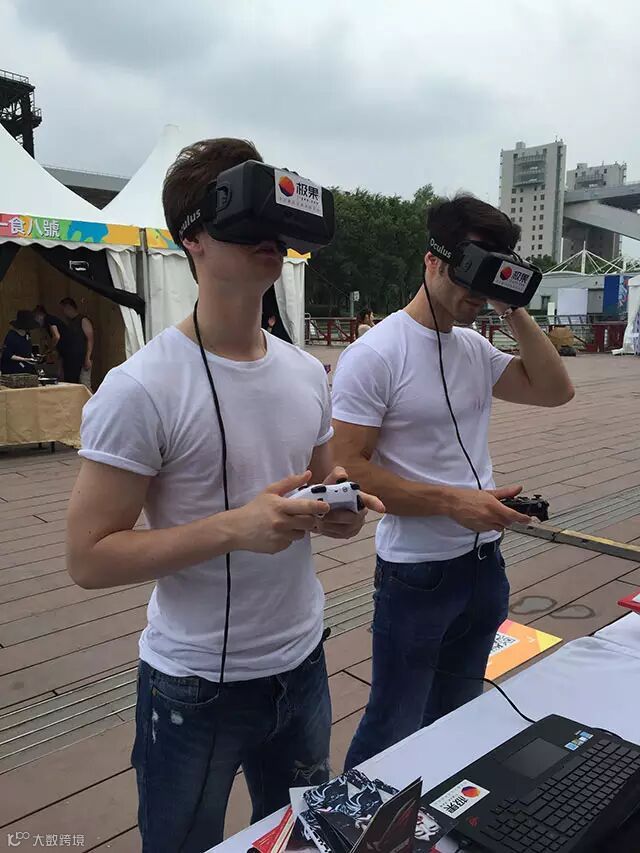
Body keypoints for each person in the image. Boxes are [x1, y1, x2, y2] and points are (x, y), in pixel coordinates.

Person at [66, 137, 384, 852]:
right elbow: (88, 558)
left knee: (301, 839)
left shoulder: (306, 372)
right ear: (194, 238)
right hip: (193, 687)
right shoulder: (140, 388)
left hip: (303, 663)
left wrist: (338, 511)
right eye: (247, 217)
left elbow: (321, 484)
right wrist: (234, 528)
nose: (270, 237)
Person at [331, 194, 574, 770]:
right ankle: (355, 814)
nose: (476, 294)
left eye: (490, 276)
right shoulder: (376, 355)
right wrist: (453, 503)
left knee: (458, 712)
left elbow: (555, 390)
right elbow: (348, 469)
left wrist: (513, 306)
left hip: (485, 565)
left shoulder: (474, 347)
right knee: (393, 720)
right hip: (417, 574)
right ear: (433, 261)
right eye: (471, 273)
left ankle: (436, 804)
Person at [59, 297, 94, 388]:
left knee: (84, 384)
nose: (63, 312)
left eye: (63, 309)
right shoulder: (70, 322)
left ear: (69, 307)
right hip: (72, 360)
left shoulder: (83, 320)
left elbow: (90, 339)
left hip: (82, 358)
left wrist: (88, 357)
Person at [1, 310, 39, 375]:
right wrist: (24, 359)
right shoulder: (11, 336)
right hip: (13, 369)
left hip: (27, 368)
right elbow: (7, 355)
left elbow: (27, 349)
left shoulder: (27, 334)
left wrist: (32, 357)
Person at [34, 304, 66, 376]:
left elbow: (56, 336)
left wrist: (50, 349)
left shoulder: (49, 319)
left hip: (69, 350)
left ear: (39, 315)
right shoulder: (48, 322)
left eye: (35, 318)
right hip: (64, 351)